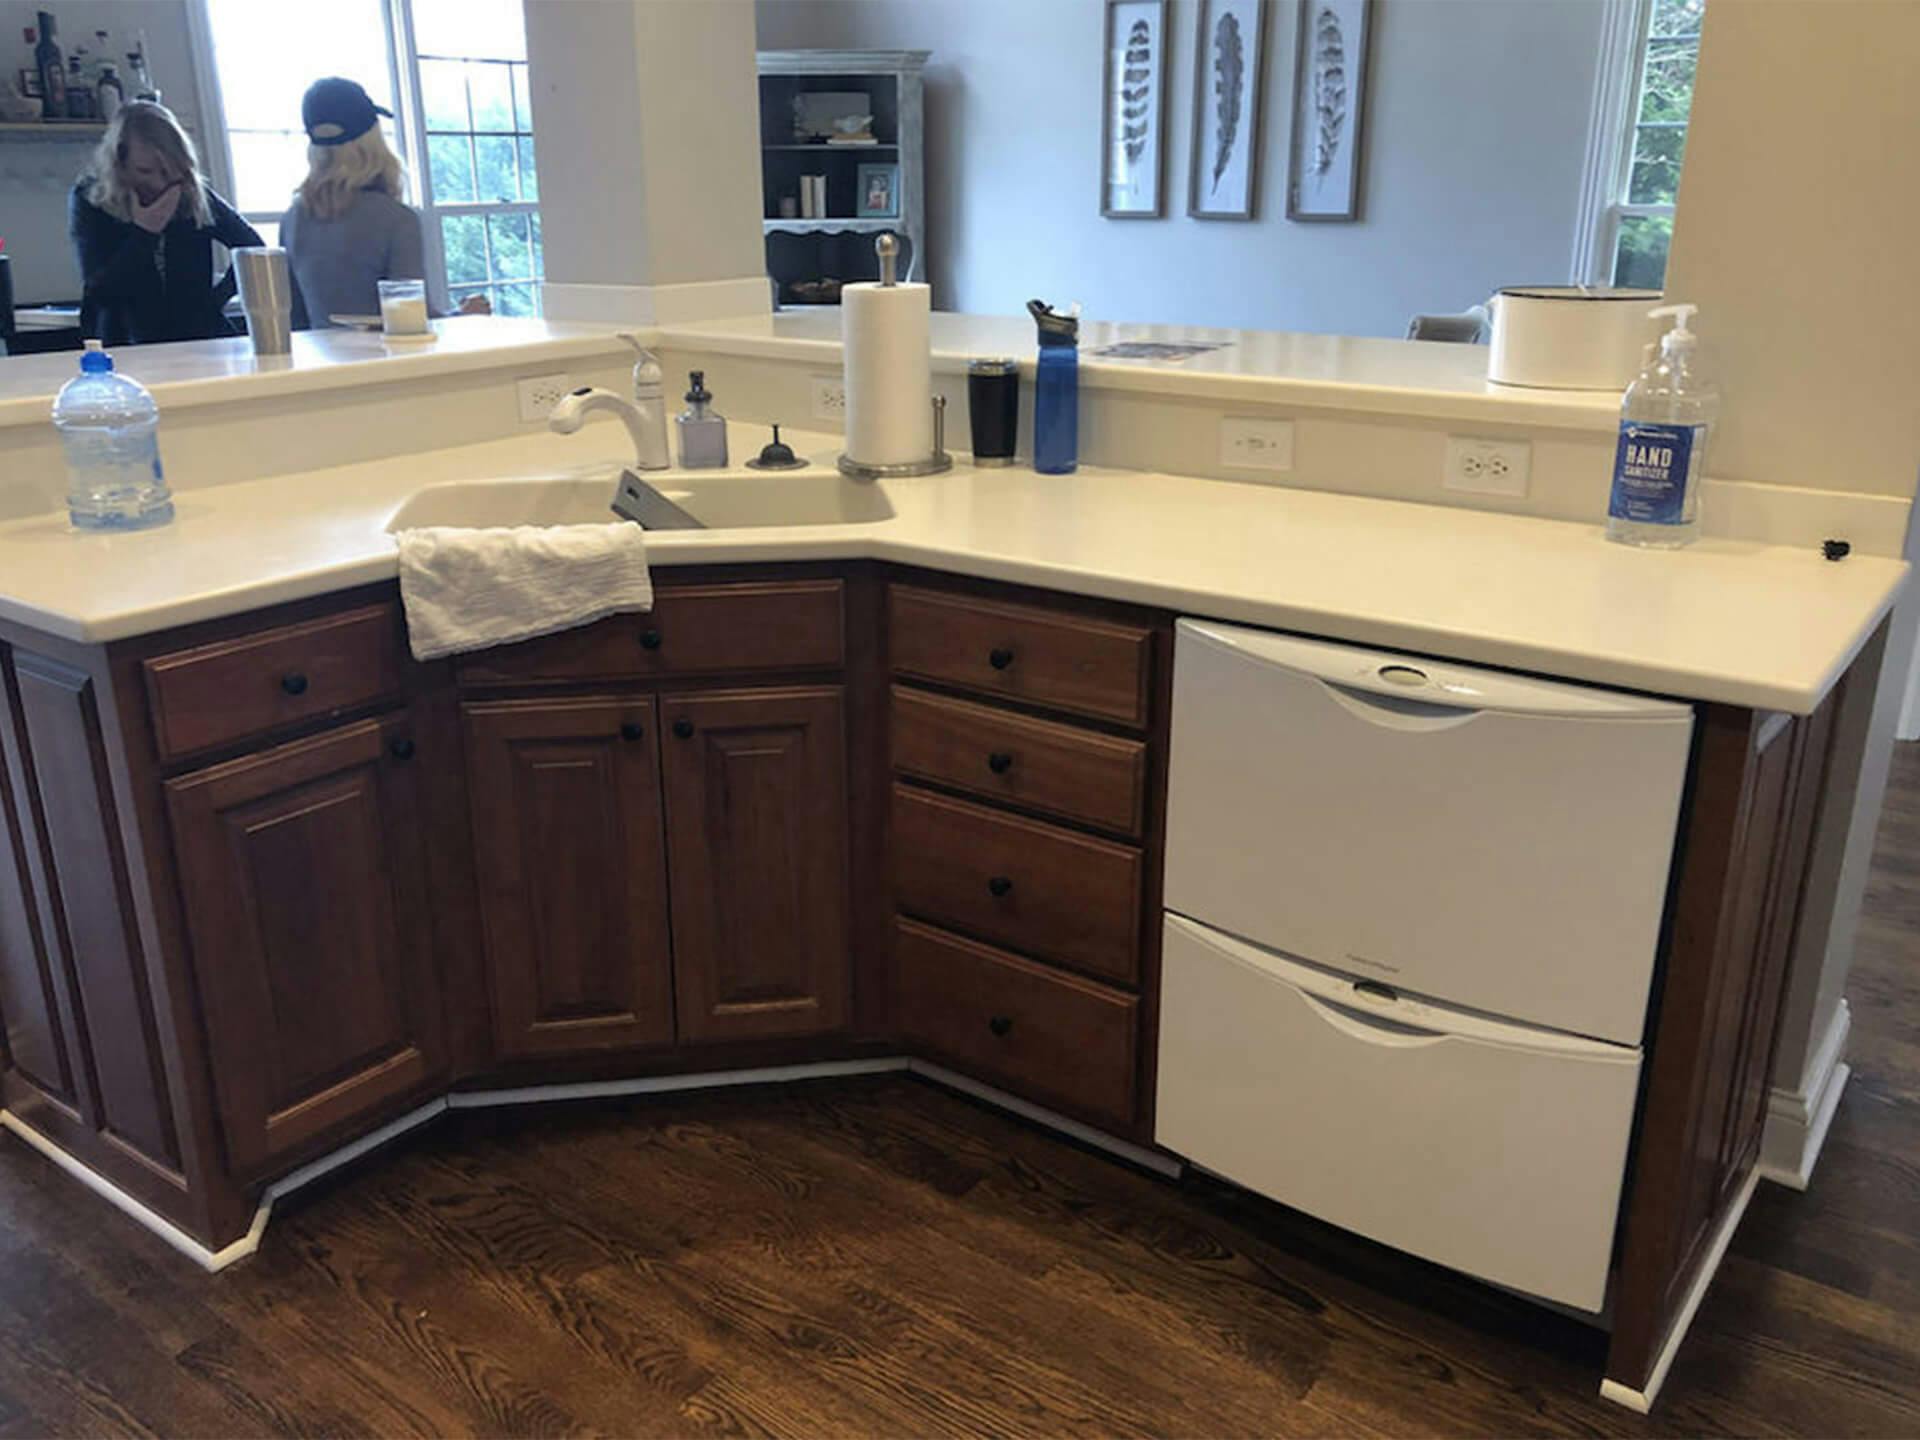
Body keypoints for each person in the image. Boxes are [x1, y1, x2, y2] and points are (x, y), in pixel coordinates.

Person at [281, 77, 487, 327]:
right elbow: (410, 322)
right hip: (385, 363)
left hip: (323, 364)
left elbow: (295, 323)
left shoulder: (292, 220)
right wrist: (465, 316)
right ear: (371, 139)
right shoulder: (396, 219)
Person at [69, 100, 263, 345]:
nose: (159, 183)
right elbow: (101, 293)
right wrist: (145, 233)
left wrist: (213, 300)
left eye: (168, 171)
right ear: (120, 163)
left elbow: (255, 249)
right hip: (126, 346)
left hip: (199, 342)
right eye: (145, 171)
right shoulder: (93, 199)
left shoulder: (190, 191)